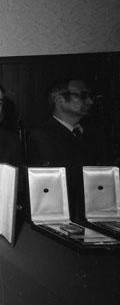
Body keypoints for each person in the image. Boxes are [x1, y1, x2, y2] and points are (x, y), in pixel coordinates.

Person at [27, 78, 112, 220]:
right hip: (67, 216)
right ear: (59, 100)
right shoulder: (42, 135)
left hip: (99, 211)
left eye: (90, 96)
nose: (90, 101)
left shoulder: (95, 133)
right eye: (82, 95)